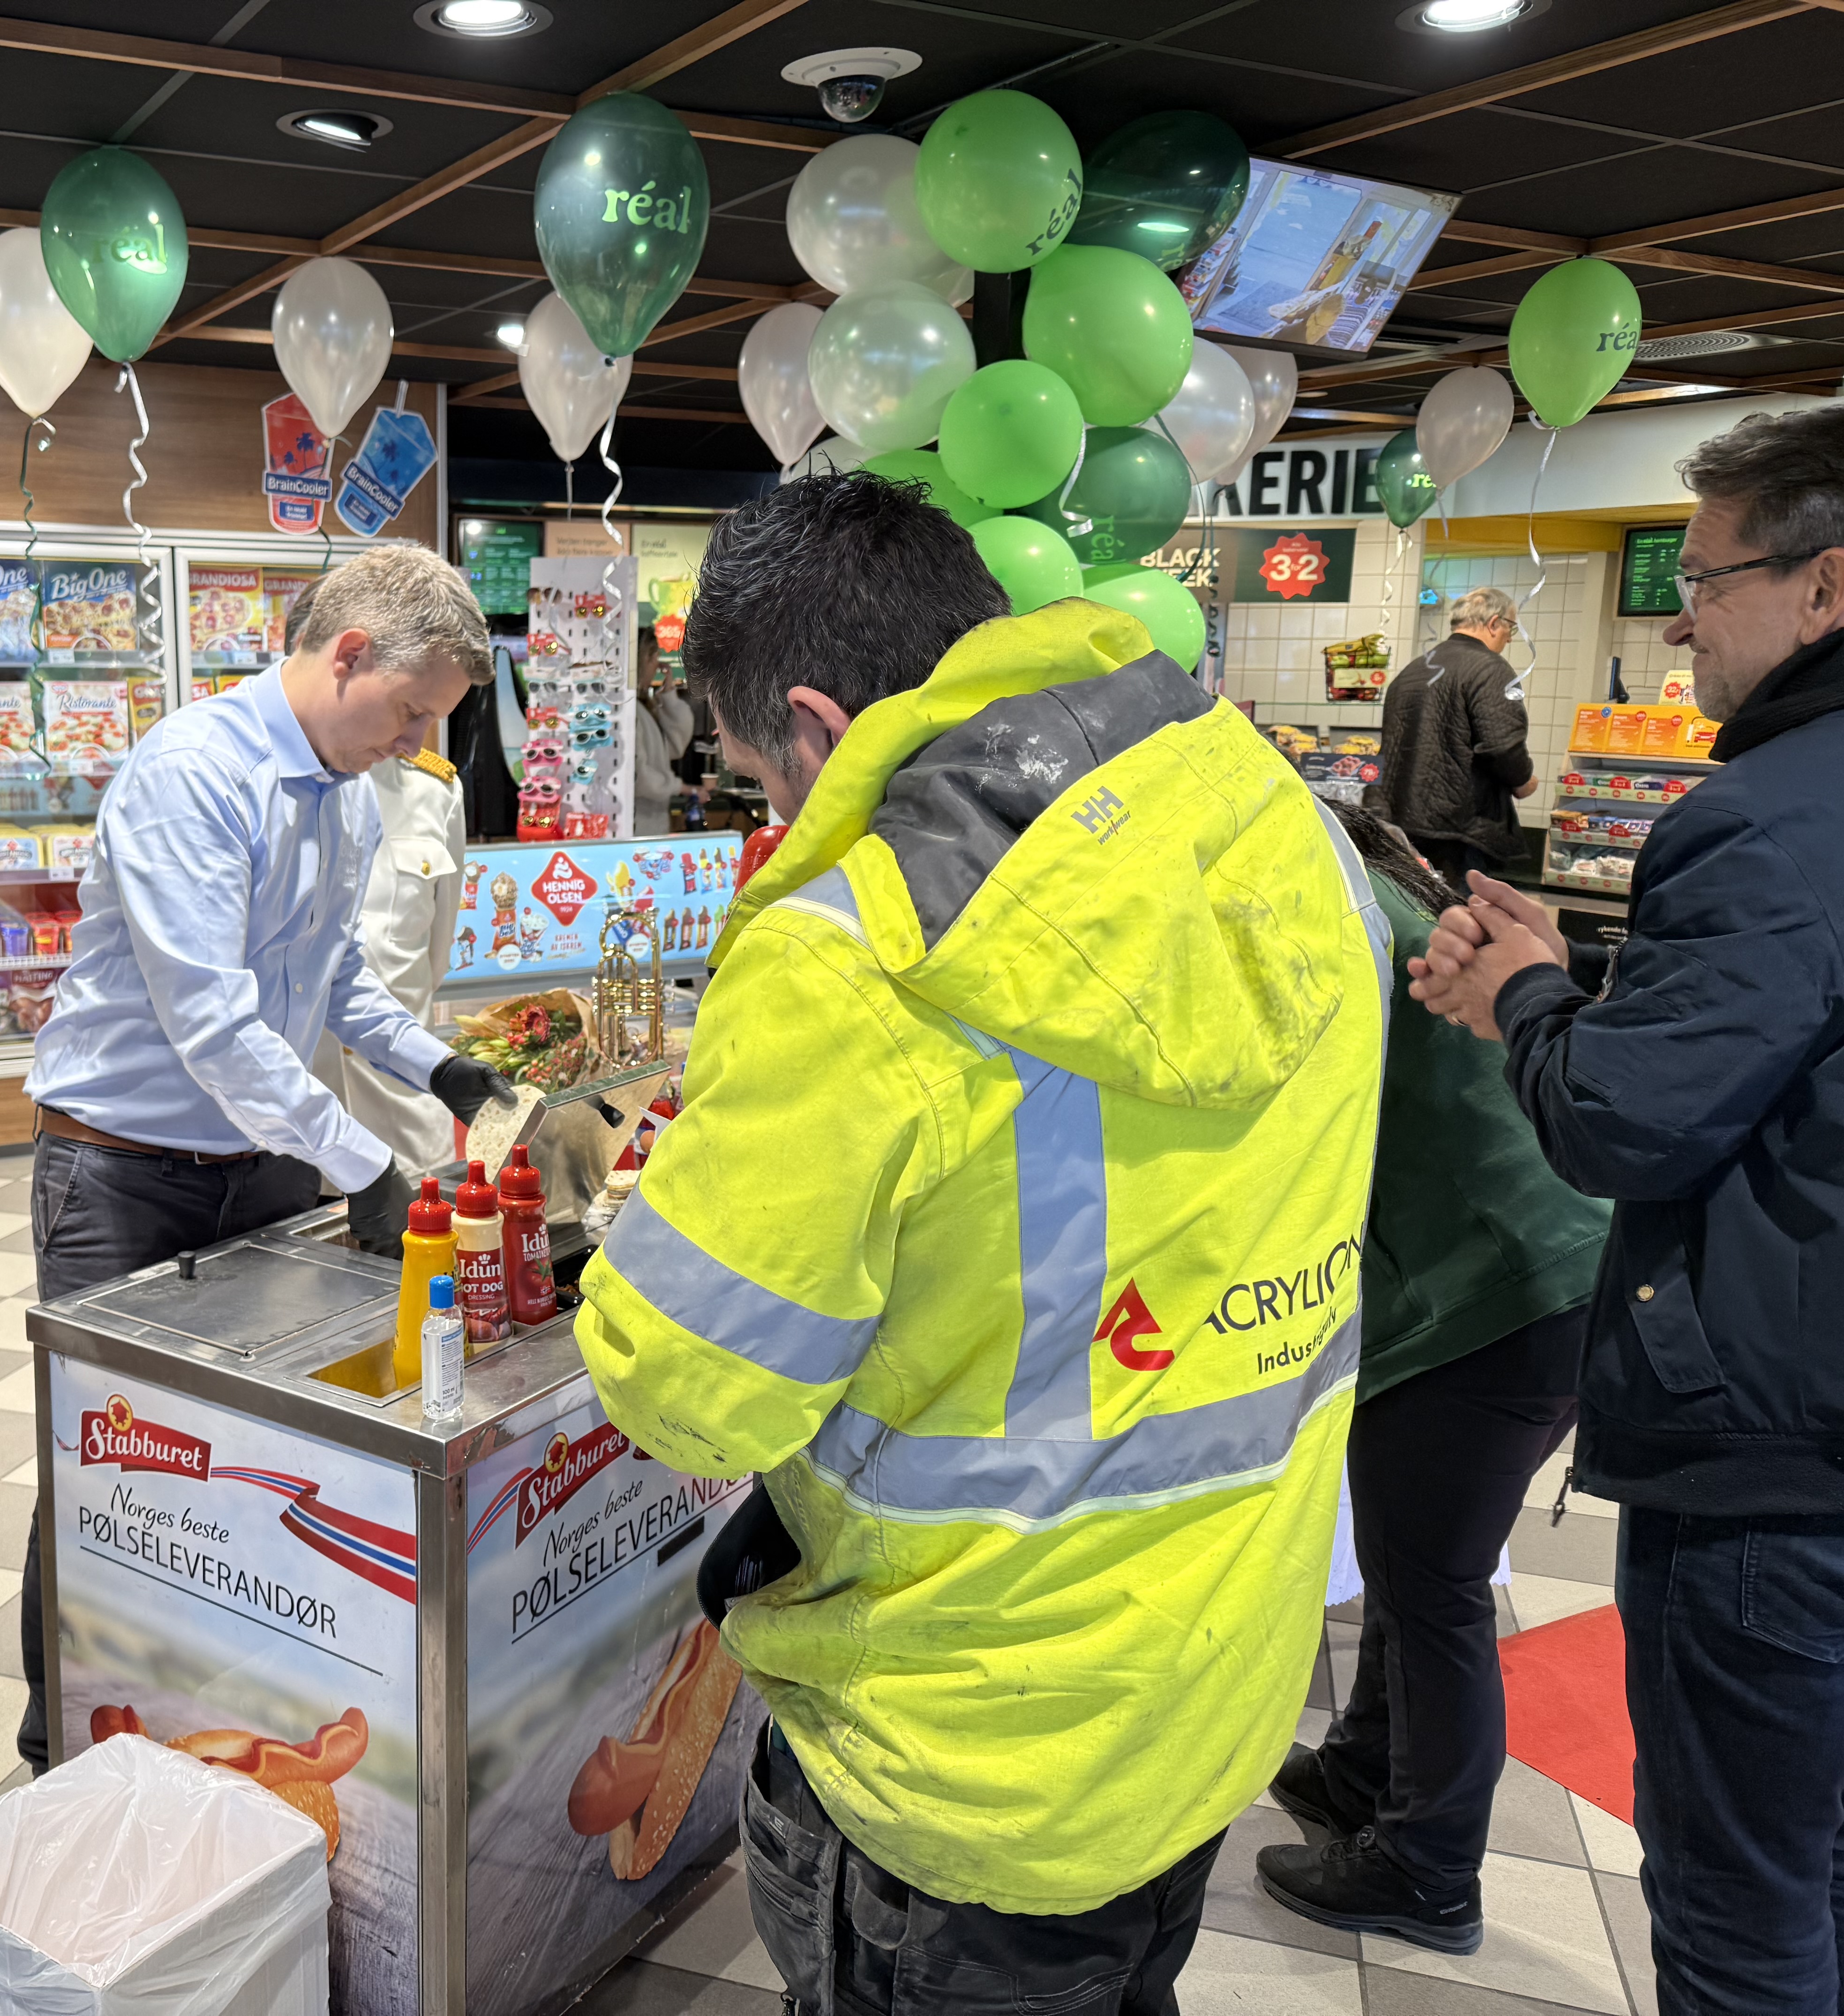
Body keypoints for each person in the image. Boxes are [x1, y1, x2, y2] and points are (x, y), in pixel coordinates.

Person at [573, 472, 1390, 2011]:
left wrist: (643, 1231)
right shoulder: (1275, 821)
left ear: (816, 726)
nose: (773, 823)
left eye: (760, 783)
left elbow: (696, 1393)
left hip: (965, 1746)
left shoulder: (854, 949)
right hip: (1206, 1674)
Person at [1410, 404, 1844, 2012]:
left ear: (1824, 588)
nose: (1678, 616)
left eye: (1709, 577)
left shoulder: (1762, 812)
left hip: (1777, 1467)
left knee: (1740, 1910)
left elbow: (1618, 1121)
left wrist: (1529, 1002)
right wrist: (1583, 984)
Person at [16, 544, 513, 1775]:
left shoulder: (346, 788)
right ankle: (64, 1737)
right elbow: (217, 1020)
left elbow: (333, 975)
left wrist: (432, 1063)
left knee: (269, 1448)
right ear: (348, 654)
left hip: (265, 1153)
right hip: (121, 1169)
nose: (412, 743)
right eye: (407, 710)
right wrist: (363, 1164)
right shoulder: (194, 774)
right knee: (109, 1452)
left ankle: (220, 1713)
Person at [1253, 805, 1609, 1955]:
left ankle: (1429, 1865)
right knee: (1414, 1563)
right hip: (1531, 1266)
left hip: (1494, 1291)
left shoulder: (1324, 926)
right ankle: (1366, 1774)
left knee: (1435, 1585)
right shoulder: (1394, 897)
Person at [316, 745, 469, 1184]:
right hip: (306, 1105)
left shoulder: (436, 790)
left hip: (405, 1112)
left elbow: (435, 959)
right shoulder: (284, 786)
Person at [1365, 584, 1537, 888]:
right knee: (1460, 922)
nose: (1511, 637)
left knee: (1422, 914)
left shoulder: (1414, 670)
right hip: (1461, 830)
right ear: (1494, 623)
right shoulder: (1491, 669)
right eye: (1511, 627)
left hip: (1403, 821)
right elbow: (1502, 745)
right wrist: (1523, 780)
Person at [633, 671, 696, 835]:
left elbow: (675, 746)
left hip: (650, 825)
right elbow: (639, 778)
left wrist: (669, 696)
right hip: (639, 826)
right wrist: (680, 787)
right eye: (655, 658)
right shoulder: (632, 711)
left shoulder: (642, 709)